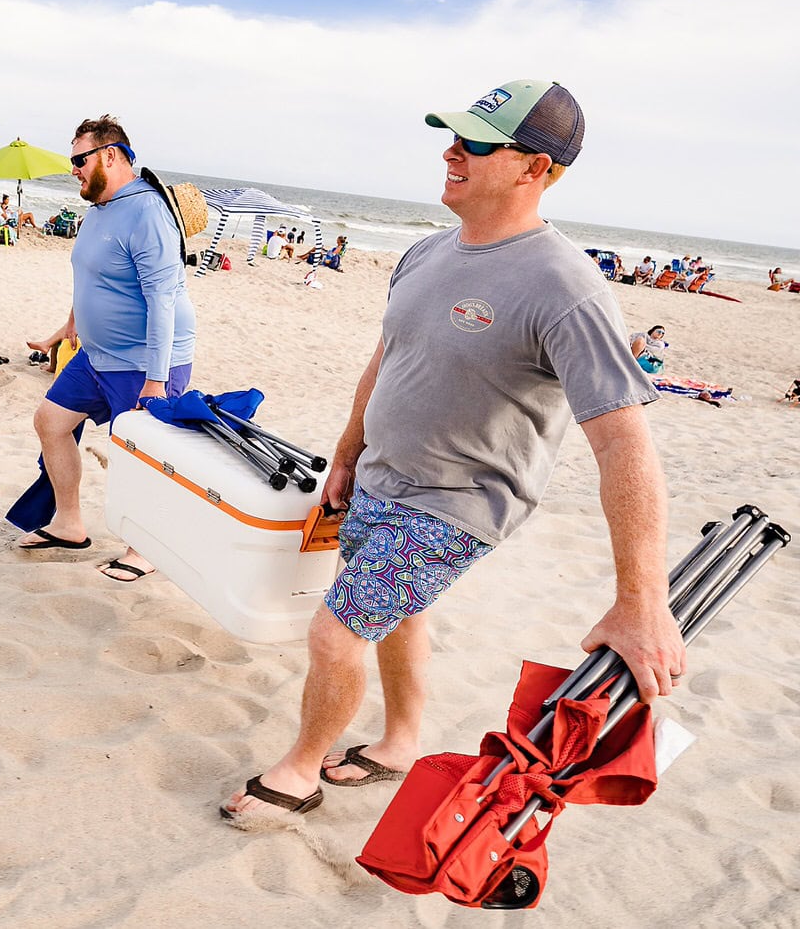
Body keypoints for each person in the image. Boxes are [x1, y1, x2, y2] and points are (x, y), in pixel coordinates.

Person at [222, 79, 681, 824]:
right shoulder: (426, 252)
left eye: (475, 142)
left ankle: (300, 769)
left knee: (336, 629)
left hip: (458, 502)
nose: (450, 150)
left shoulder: (566, 287)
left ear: (535, 168)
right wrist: (346, 452)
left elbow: (625, 441)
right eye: (453, 136)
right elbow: (387, 358)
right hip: (379, 477)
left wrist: (641, 602)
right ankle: (401, 740)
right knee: (396, 614)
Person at [14, 115, 196, 583]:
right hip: (96, 356)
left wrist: (156, 380)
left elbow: (162, 302)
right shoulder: (99, 210)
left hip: (144, 360)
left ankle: (145, 548)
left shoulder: (148, 213)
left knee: (140, 454)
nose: (72, 168)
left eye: (79, 159)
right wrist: (67, 327)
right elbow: (90, 276)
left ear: (110, 155)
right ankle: (70, 524)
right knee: (50, 422)